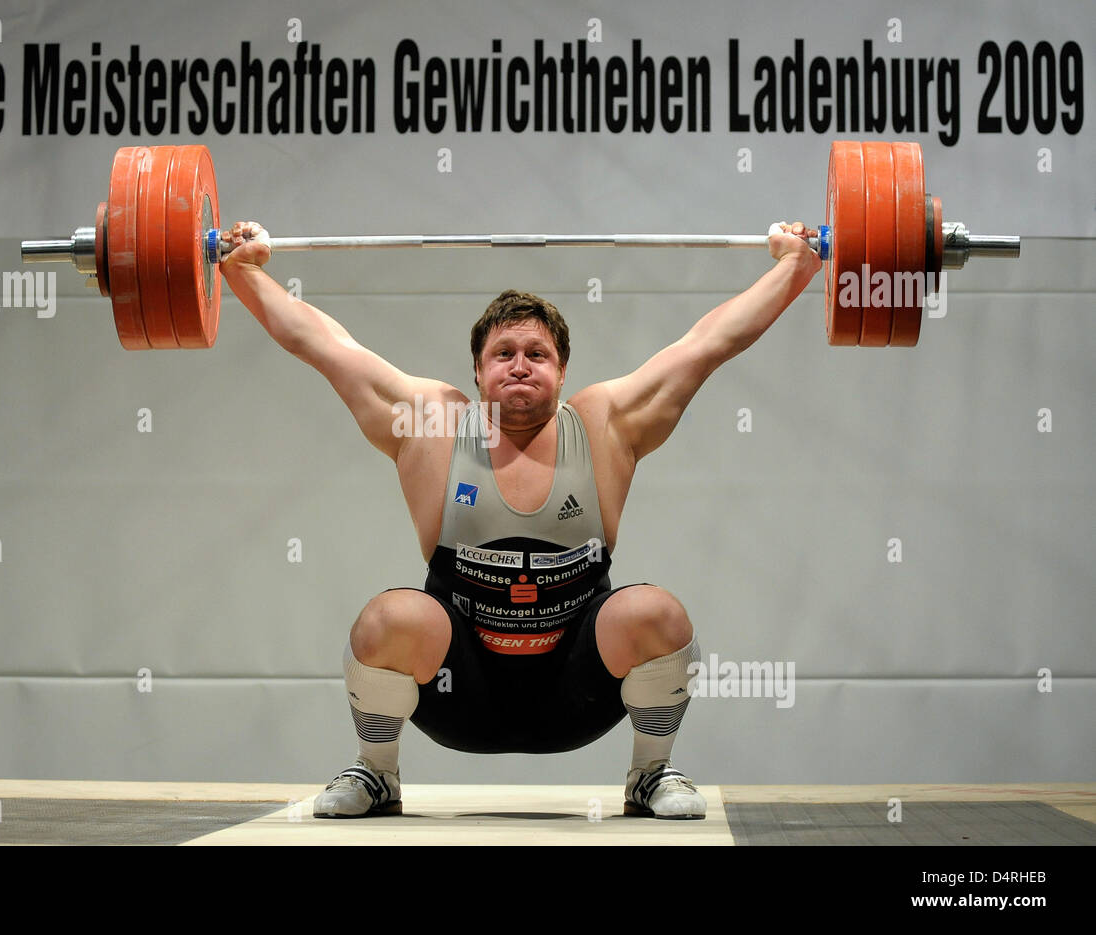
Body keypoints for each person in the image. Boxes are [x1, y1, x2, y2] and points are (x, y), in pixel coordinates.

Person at [220, 220, 821, 818]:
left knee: (655, 613)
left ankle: (650, 773)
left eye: (538, 354)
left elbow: (709, 341)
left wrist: (797, 266)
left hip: (578, 693)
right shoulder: (433, 426)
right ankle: (378, 773)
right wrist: (241, 272)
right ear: (478, 372)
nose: (520, 365)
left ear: (562, 373)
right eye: (502, 354)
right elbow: (324, 345)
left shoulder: (605, 425)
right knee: (388, 618)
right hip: (459, 693)